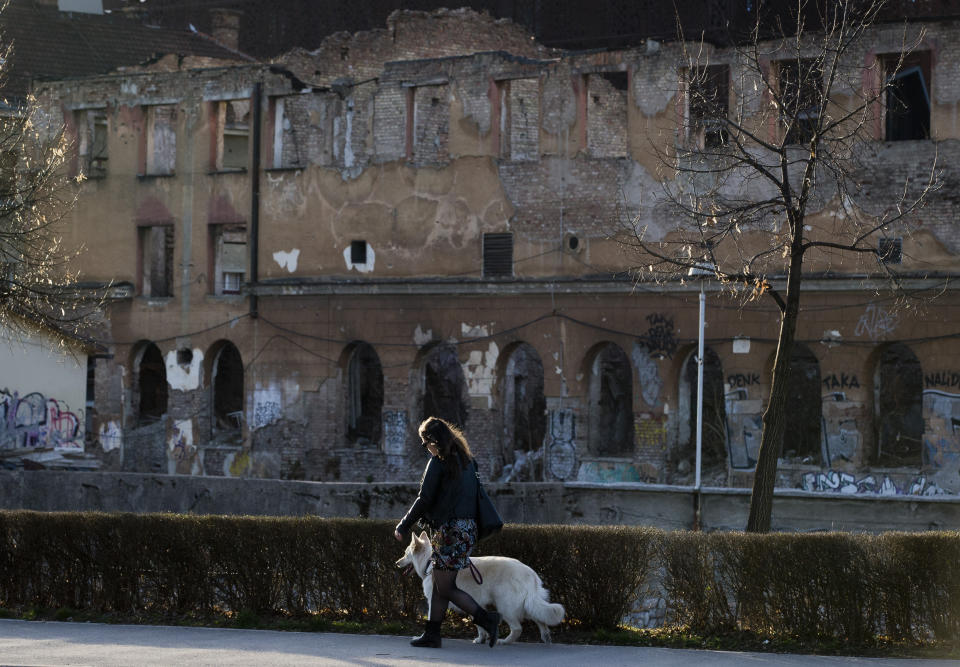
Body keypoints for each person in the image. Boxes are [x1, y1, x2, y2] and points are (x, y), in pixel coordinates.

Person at [394, 416, 501, 649]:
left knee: (444, 586)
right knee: (442, 582)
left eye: (425, 442)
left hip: (450, 532)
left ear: (434, 440)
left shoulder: (439, 462)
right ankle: (432, 634)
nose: (425, 447)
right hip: (467, 531)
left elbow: (424, 499)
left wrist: (403, 525)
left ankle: (486, 619)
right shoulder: (467, 460)